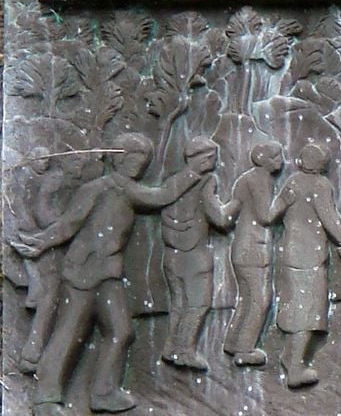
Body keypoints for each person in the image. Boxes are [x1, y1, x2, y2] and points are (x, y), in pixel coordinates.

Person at [11, 133, 206, 416]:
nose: (138, 165)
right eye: (134, 158)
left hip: (107, 273)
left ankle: (103, 393)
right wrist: (40, 243)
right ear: (119, 157)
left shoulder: (127, 189)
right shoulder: (98, 188)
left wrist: (191, 173)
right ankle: (45, 400)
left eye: (143, 160)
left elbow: (160, 195)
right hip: (82, 272)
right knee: (69, 333)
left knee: (120, 331)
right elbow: (69, 224)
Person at [272, 143, 341, 388]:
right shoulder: (320, 185)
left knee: (295, 302)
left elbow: (273, 212)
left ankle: (289, 355)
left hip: (290, 251)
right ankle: (296, 367)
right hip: (309, 255)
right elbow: (328, 215)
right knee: (309, 308)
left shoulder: (292, 182)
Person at [160, 137, 229, 371]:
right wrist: (236, 204)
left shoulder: (172, 182)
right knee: (198, 304)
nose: (214, 162)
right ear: (201, 159)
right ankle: (185, 350)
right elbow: (220, 219)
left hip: (171, 255)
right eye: (212, 158)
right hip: (194, 255)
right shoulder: (206, 182)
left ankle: (170, 347)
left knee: (179, 303)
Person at [222, 140, 284, 367]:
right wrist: (286, 200)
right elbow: (266, 216)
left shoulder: (245, 178)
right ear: (264, 159)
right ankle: (246, 349)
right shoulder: (260, 179)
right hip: (254, 248)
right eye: (277, 157)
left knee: (247, 298)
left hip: (242, 245)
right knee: (260, 300)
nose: (281, 162)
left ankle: (233, 342)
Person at [13, 147, 69, 375]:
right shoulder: (31, 178)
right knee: (51, 294)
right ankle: (33, 354)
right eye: (42, 159)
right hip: (40, 238)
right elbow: (37, 211)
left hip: (49, 240)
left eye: (48, 159)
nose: (45, 163)